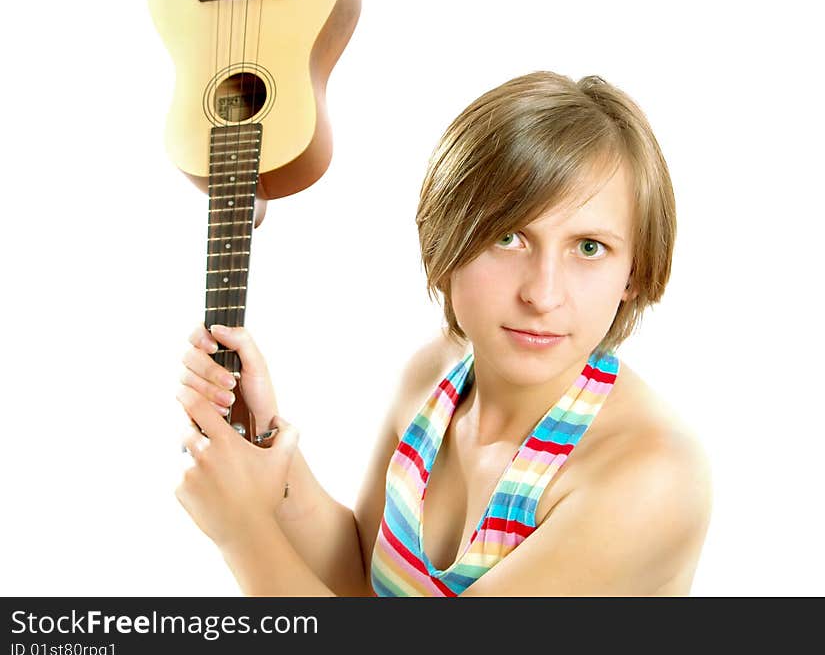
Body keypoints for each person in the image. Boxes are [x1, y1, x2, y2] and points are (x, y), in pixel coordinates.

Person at [175, 70, 713, 596]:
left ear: (634, 274)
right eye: (508, 237)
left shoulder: (650, 478)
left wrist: (241, 532)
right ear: (447, 238)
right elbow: (361, 580)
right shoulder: (435, 377)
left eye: (589, 247)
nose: (543, 295)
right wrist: (266, 443)